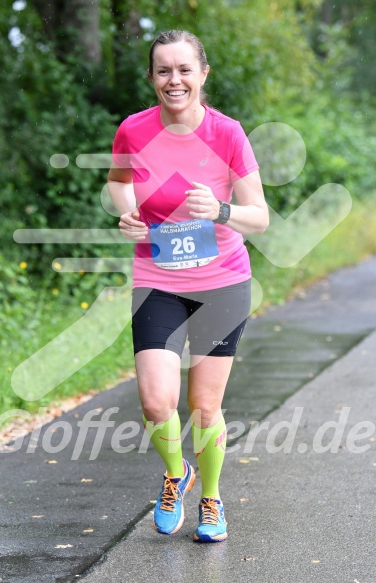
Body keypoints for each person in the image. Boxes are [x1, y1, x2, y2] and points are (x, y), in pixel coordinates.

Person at [108, 29, 269, 543]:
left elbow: (260, 217)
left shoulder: (227, 133)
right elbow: (116, 182)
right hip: (157, 278)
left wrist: (221, 210)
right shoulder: (133, 130)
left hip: (221, 283)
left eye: (183, 69)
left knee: (204, 406)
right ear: (152, 77)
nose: (173, 80)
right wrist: (127, 211)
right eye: (163, 71)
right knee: (157, 401)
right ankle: (178, 474)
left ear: (203, 74)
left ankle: (212, 498)